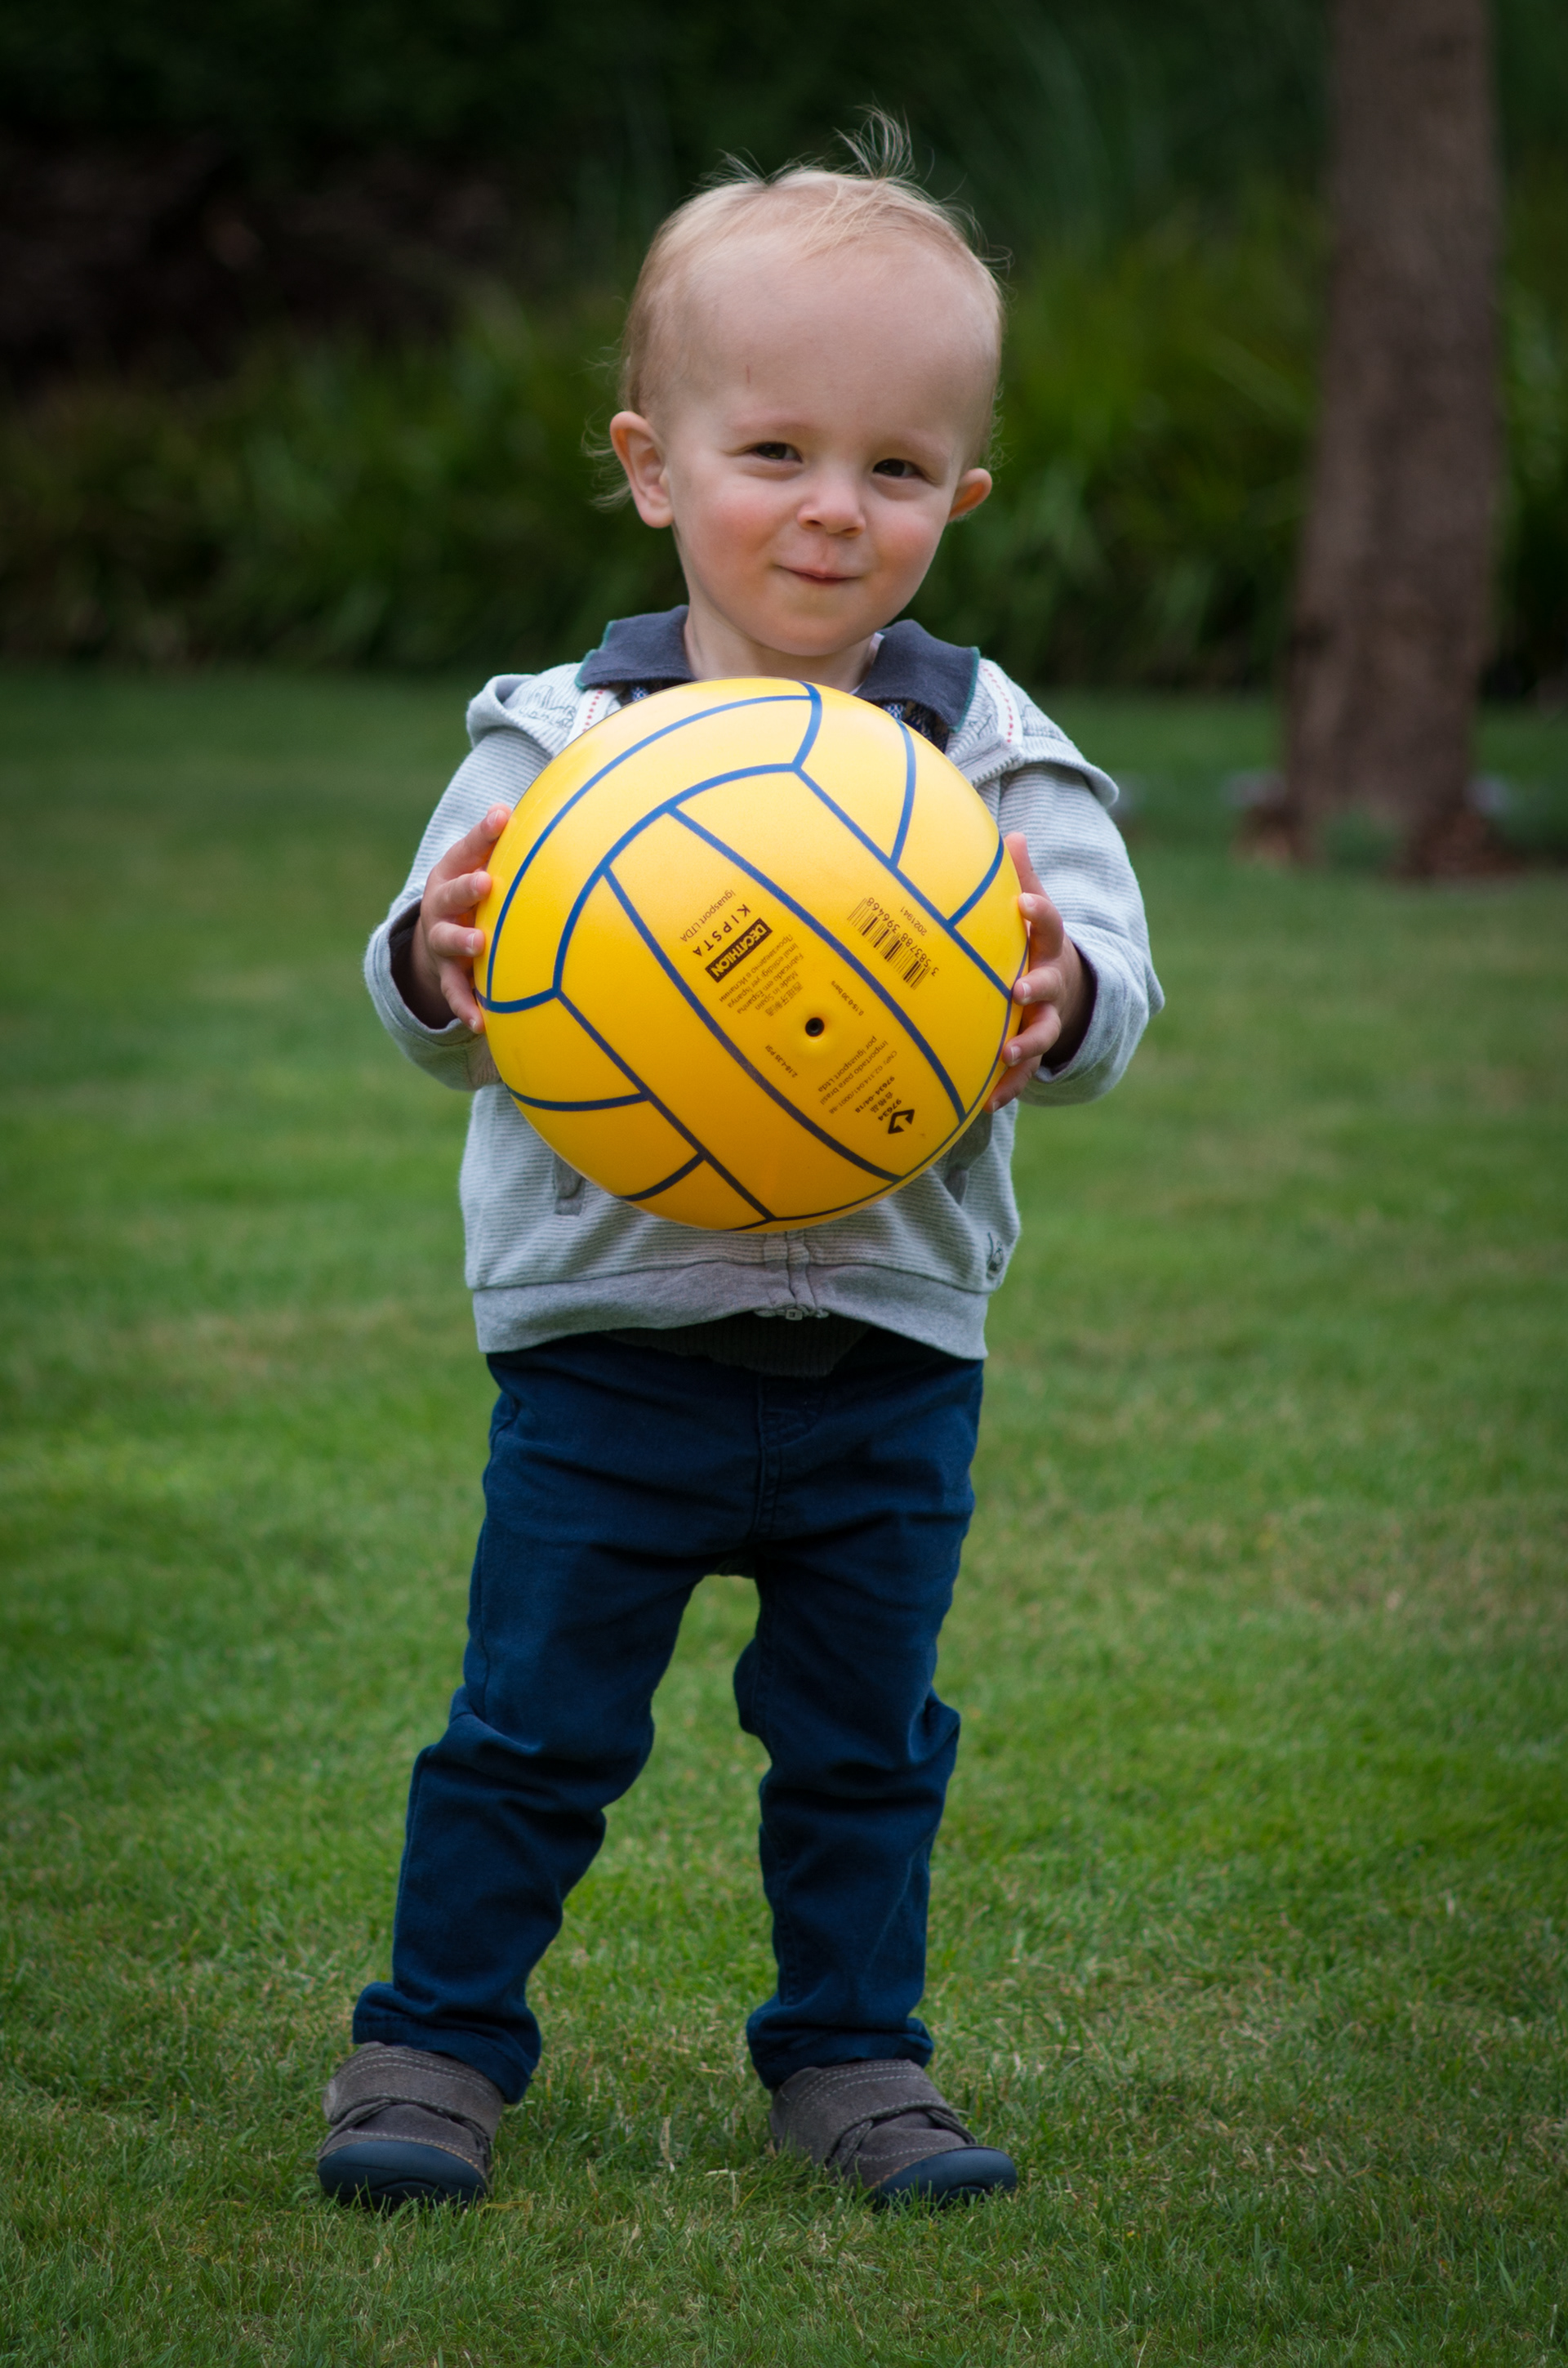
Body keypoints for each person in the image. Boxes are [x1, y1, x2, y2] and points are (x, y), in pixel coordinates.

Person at [317, 128, 1162, 2213]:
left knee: (868, 1742)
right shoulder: (562, 740)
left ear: (960, 499)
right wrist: (434, 955)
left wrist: (1061, 994)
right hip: (611, 1345)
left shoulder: (983, 749)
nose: (831, 505)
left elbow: (1113, 982)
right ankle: (431, 2048)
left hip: (888, 1353)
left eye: (896, 467)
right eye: (774, 450)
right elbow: (425, 992)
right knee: (532, 1729)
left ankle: (856, 2062)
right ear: (653, 465)